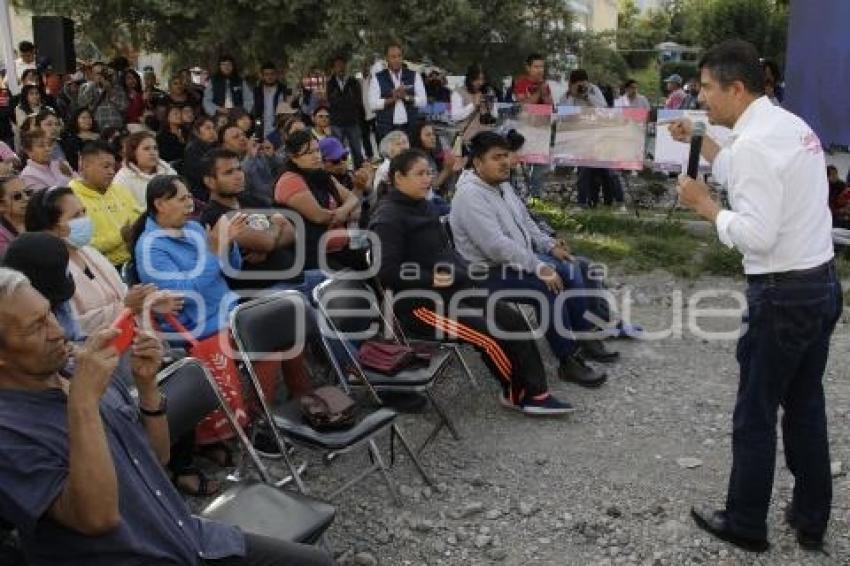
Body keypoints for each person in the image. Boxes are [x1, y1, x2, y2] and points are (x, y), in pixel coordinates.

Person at [0, 267, 334, 565]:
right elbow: (97, 518)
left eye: (50, 315)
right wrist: (83, 405)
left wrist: (147, 390)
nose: (57, 332)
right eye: (35, 328)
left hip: (186, 536)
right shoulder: (10, 431)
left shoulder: (75, 371)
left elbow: (155, 456)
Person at [669, 39, 842, 553]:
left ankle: (745, 522)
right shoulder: (789, 126)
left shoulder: (755, 145)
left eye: (705, 88)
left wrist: (705, 207)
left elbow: (758, 233)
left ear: (735, 87)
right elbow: (749, 173)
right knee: (806, 405)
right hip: (819, 284)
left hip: (781, 293)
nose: (700, 98)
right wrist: (701, 139)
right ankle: (811, 520)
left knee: (755, 412)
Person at [368, 148, 572, 415]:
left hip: (454, 290)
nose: (428, 179)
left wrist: (464, 272)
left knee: (512, 319)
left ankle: (537, 392)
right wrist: (430, 279)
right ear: (397, 177)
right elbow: (385, 271)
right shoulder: (388, 217)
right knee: (489, 336)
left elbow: (444, 250)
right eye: (419, 174)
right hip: (418, 306)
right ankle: (517, 393)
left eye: (429, 172)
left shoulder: (423, 205)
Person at [451, 132, 614, 381]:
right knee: (547, 287)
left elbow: (525, 221)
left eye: (506, 155)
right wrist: (539, 267)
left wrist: (548, 247)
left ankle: (583, 336)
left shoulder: (500, 185)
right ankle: (568, 359)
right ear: (477, 162)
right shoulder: (470, 196)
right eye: (496, 157)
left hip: (514, 261)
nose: (505, 162)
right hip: (486, 271)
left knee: (574, 266)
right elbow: (496, 246)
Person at [199, 148, 325, 297]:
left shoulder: (250, 199)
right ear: (210, 182)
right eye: (229, 172)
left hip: (297, 278)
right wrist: (275, 227)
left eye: (239, 169)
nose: (238, 176)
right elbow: (267, 241)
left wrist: (266, 243)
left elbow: (291, 232)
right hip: (266, 292)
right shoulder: (214, 216)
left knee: (342, 281)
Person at [274, 130, 364, 271]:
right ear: (293, 157)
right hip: (316, 255)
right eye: (309, 153)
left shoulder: (321, 174)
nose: (316, 156)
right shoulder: (290, 180)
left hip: (344, 246)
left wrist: (342, 211)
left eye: (317, 151)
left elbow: (353, 200)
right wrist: (345, 212)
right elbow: (320, 217)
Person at [69, 141, 142, 267]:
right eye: (106, 166)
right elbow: (82, 246)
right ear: (84, 166)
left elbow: (138, 219)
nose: (112, 172)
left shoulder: (120, 189)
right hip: (102, 267)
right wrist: (120, 237)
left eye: (113, 167)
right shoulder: (71, 199)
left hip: (136, 257)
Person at [563, 70, 626, 211]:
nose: (581, 86)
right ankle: (582, 203)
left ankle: (620, 202)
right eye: (577, 83)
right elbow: (564, 116)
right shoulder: (568, 95)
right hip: (581, 139)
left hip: (601, 136)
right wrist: (572, 96)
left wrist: (587, 97)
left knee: (611, 171)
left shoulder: (593, 90)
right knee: (583, 171)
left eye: (583, 83)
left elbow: (603, 108)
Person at [369, 41, 427, 143]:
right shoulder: (378, 78)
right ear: (386, 58)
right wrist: (393, 99)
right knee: (389, 157)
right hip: (387, 129)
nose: (397, 60)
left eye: (399, 56)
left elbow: (423, 101)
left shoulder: (414, 75)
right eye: (393, 57)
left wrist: (406, 97)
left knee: (410, 157)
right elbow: (373, 104)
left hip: (410, 128)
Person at [219, 122, 280, 208]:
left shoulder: (257, 153)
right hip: (257, 208)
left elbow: (280, 168)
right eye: (236, 137)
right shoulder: (225, 165)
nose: (242, 138)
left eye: (243, 135)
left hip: (277, 199)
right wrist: (249, 157)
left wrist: (272, 155)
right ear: (224, 145)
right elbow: (241, 183)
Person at [410, 120, 463, 211]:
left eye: (433, 134)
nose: (433, 137)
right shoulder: (417, 159)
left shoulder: (432, 153)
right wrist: (448, 168)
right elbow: (432, 185)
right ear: (418, 138)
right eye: (428, 135)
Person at [114, 132, 178, 206]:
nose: (152, 152)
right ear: (133, 152)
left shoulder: (168, 172)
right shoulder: (122, 179)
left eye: (155, 148)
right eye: (146, 149)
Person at [326, 55, 365, 168]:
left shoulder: (353, 82)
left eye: (342, 65)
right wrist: (346, 101)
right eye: (337, 66)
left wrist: (343, 101)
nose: (340, 68)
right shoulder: (330, 83)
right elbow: (331, 100)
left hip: (352, 120)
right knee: (337, 150)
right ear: (334, 68)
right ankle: (341, 172)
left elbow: (357, 100)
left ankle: (360, 172)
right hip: (337, 122)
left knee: (357, 150)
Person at [451, 63, 496, 143]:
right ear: (470, 79)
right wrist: (473, 105)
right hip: (467, 139)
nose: (480, 83)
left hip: (486, 139)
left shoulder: (488, 92)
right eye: (477, 79)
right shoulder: (458, 92)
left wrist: (489, 105)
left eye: (483, 79)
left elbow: (494, 116)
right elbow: (455, 116)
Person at [78, 62, 128, 131]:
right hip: (97, 127)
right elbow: (82, 105)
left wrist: (110, 91)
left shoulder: (117, 88)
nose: (100, 76)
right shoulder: (86, 87)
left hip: (115, 127)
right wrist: (93, 85)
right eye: (97, 74)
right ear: (92, 75)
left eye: (102, 73)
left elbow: (124, 107)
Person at [184, 115, 219, 202]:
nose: (212, 131)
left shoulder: (213, 147)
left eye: (213, 128)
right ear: (197, 131)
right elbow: (200, 175)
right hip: (200, 191)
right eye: (208, 128)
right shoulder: (192, 149)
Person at [252, 62, 290, 140]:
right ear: (262, 76)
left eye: (272, 74)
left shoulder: (283, 89)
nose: (269, 77)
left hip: (279, 124)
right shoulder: (257, 90)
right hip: (260, 124)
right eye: (266, 74)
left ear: (276, 75)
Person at [60, 107, 100, 172]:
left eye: (89, 118)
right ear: (76, 120)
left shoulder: (99, 137)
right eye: (83, 118)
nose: (87, 120)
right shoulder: (71, 139)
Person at [0, 176, 27, 256]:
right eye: (17, 196)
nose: (26, 198)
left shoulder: (37, 219)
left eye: (28, 192)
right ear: (1, 205)